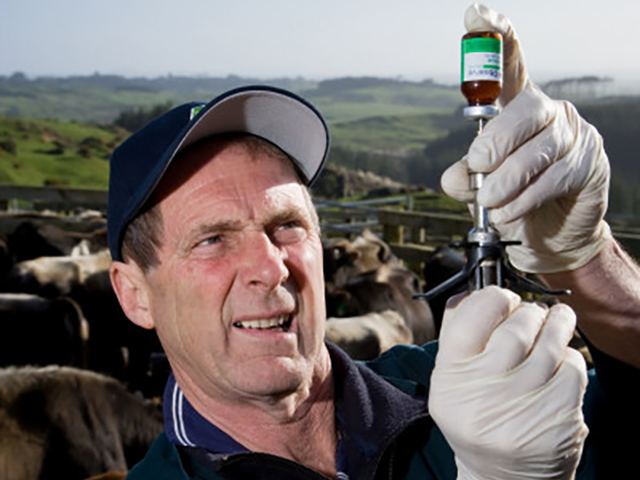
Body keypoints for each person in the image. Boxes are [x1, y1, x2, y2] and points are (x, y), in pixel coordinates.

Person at [107, 4, 639, 479]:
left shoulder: (460, 385)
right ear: (135, 294)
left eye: (287, 225)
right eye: (212, 239)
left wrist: (587, 262)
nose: (270, 268)